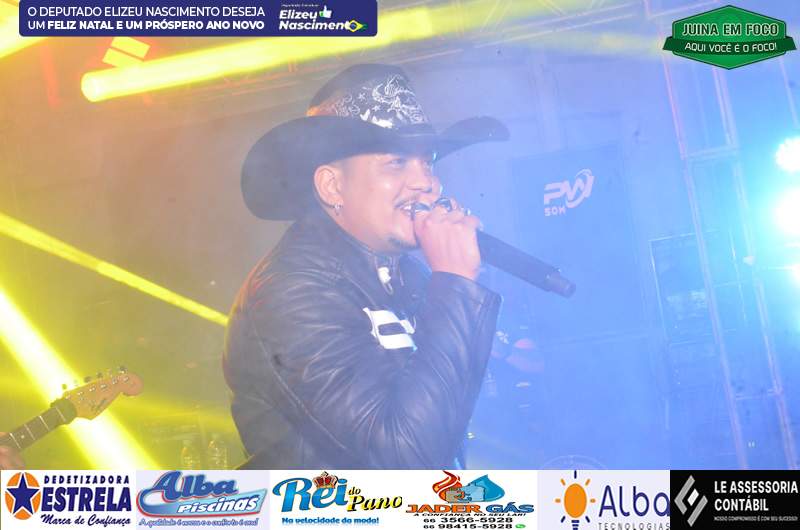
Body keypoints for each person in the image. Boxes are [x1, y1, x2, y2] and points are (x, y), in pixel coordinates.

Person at [223, 64, 508, 469]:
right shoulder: (292, 290)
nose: (425, 183)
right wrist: (456, 283)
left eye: (428, 163)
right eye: (397, 162)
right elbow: (403, 457)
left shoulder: (409, 276)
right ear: (332, 186)